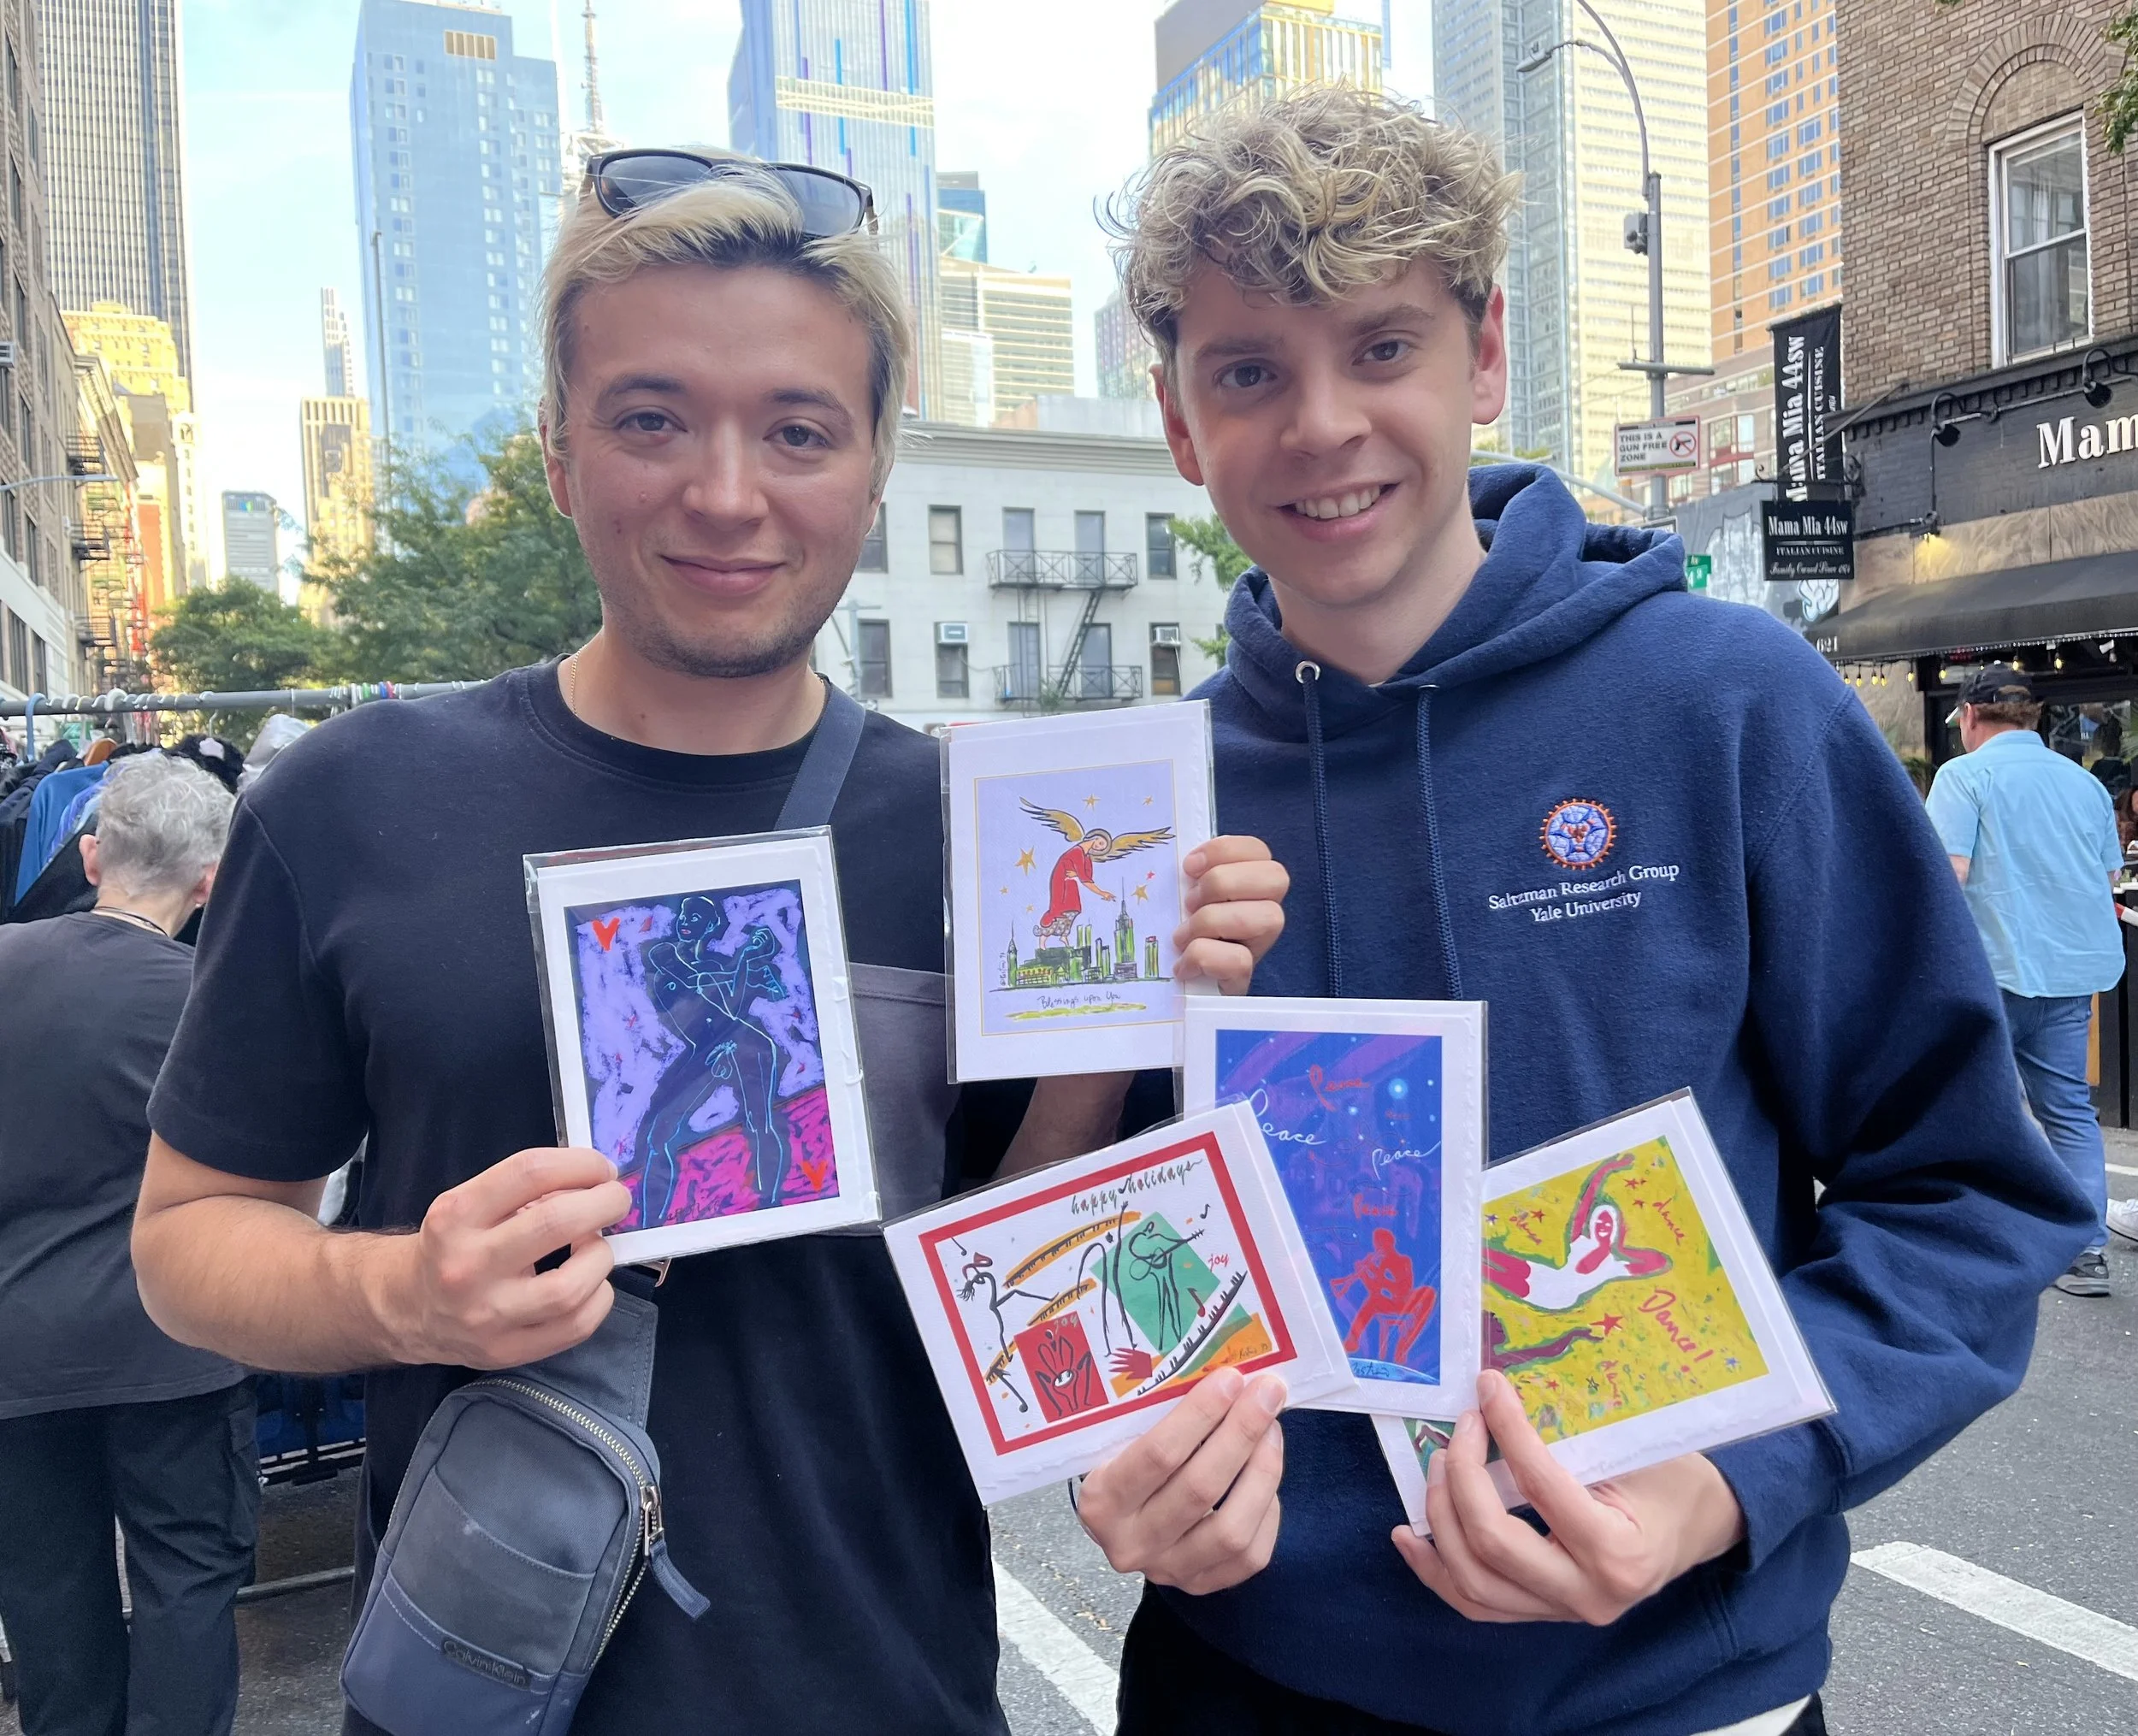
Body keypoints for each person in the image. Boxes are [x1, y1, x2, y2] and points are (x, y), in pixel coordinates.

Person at [127, 152, 1285, 1736]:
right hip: (497, 1680)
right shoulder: (349, 803)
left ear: (876, 467)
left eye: (799, 430)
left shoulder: (987, 834)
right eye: (651, 418)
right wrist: (407, 1294)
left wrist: (1116, 1029)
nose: (727, 492)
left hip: (894, 1688)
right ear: (557, 450)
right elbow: (187, 1240)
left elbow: (1005, 1289)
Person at [1070, 86, 2094, 1736]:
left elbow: (1969, 1196)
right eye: (1250, 370)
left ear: (1483, 360)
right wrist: (1111, 1476)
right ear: (1184, 426)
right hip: (1242, 1684)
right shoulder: (1141, 811)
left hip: (1683, 1695)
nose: (1323, 424)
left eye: (1382, 348)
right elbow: (1077, 1255)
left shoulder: (1727, 703)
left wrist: (1728, 1477)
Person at [0, 753, 253, 1736]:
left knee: (47, 1593)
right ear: (212, 881)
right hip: (175, 1345)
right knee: (187, 1579)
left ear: (94, 853)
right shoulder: (214, 1000)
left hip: (18, 1348)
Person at [1926, 664, 2126, 1297]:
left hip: (1992, 970)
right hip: (2072, 972)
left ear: (1970, 716)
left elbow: (1946, 878)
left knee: (1976, 1105)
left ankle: (1984, 1242)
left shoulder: (1965, 776)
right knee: (2068, 1109)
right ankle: (2086, 1250)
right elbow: (2104, 877)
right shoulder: (2084, 784)